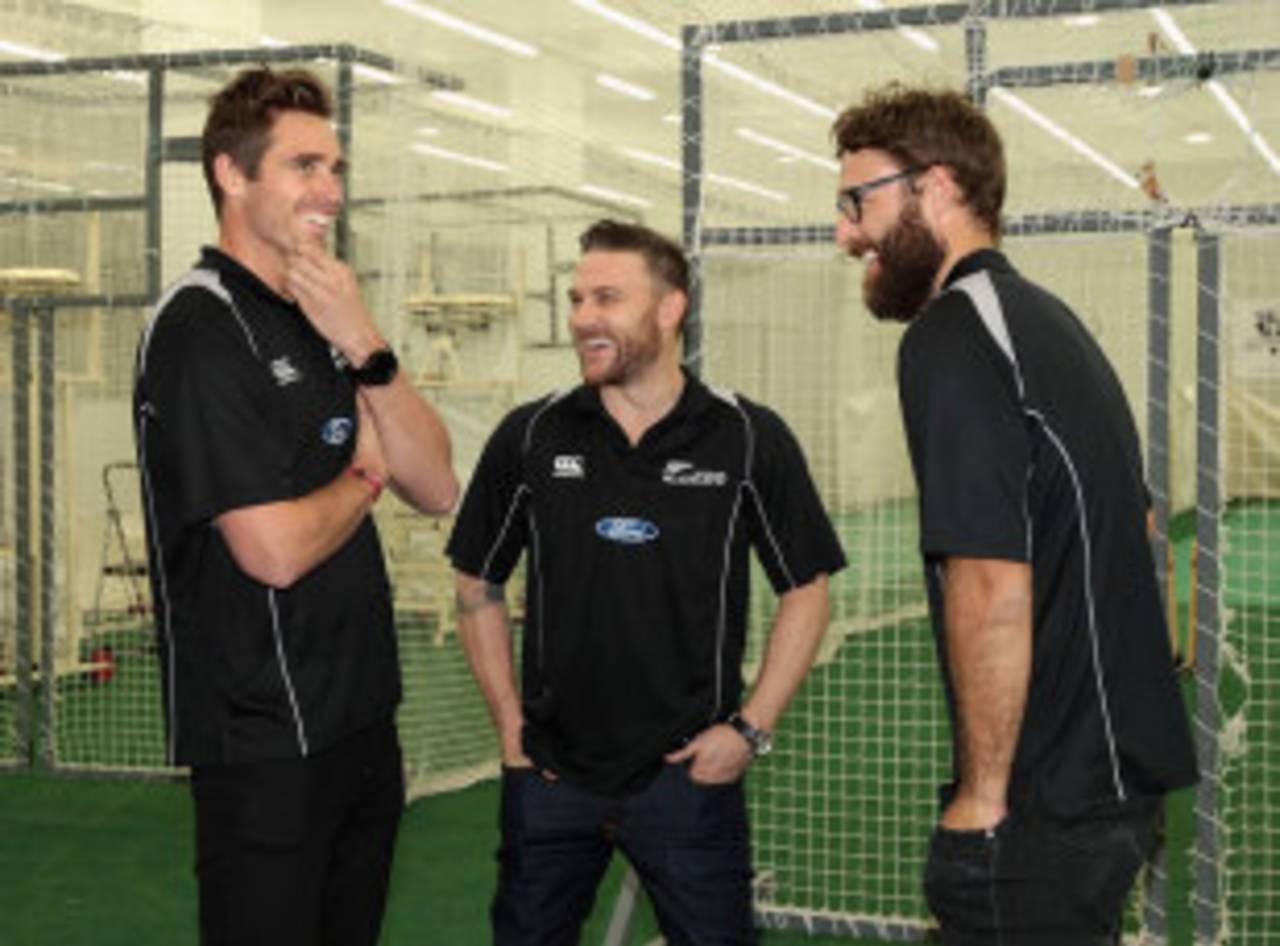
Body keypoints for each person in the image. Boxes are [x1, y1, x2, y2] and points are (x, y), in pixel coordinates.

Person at [831, 84, 1198, 944]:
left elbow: (991, 576)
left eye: (859, 201)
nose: (847, 233)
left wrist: (985, 797)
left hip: (1047, 800)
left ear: (940, 188)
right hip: (1115, 784)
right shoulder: (1047, 321)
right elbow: (1144, 530)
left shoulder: (953, 336)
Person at [447, 219, 846, 945]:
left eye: (607, 298)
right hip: (550, 777)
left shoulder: (747, 438)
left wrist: (750, 729)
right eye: (575, 299)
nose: (582, 319)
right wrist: (509, 724)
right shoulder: (532, 436)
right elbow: (476, 581)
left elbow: (807, 588)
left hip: (687, 780)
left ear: (670, 309)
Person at [133, 66, 458, 946]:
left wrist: (365, 343)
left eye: (337, 168)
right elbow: (271, 551)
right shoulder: (200, 329)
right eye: (304, 166)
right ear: (230, 175)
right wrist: (361, 477)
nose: (331, 191)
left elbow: (436, 485)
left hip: (360, 719)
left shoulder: (324, 311)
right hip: (266, 740)